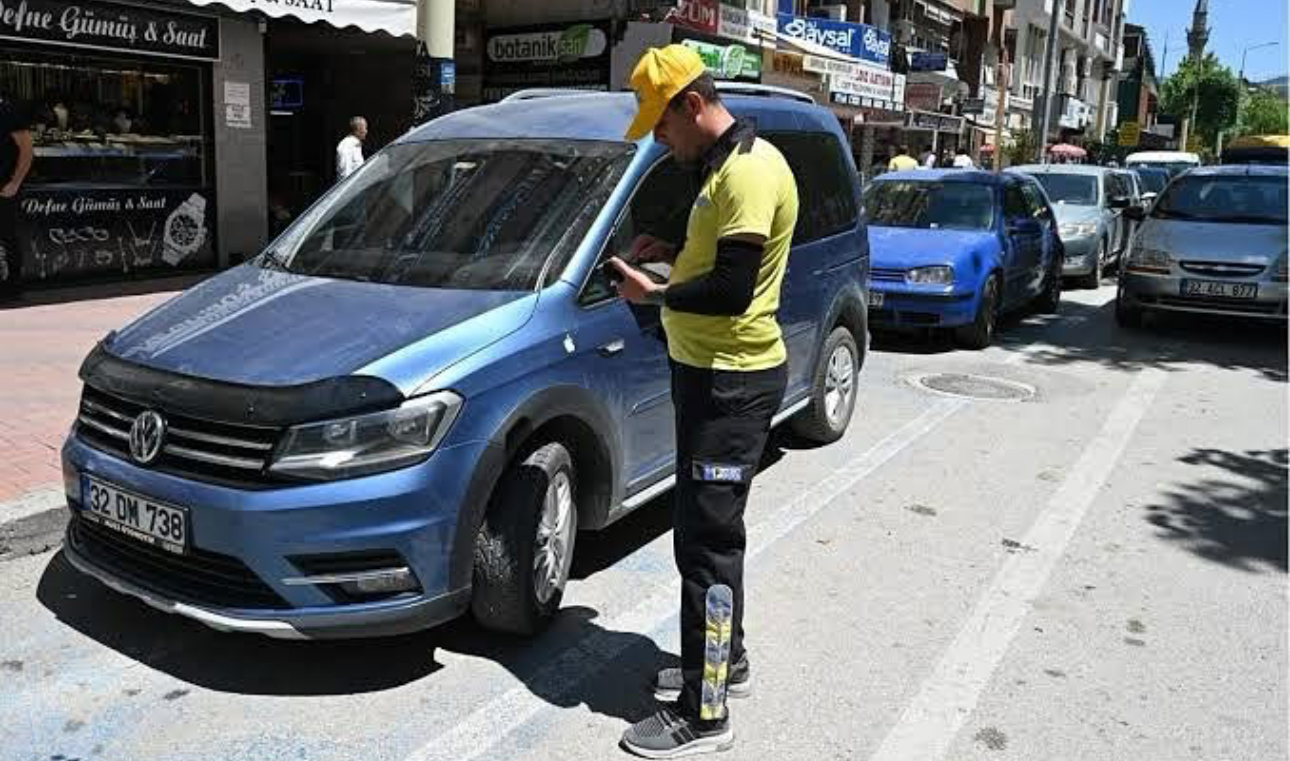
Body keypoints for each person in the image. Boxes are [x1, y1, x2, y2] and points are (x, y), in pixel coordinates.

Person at [608, 44, 798, 759]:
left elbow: (733, 290)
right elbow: (714, 261)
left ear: (693, 104)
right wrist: (674, 249)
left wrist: (655, 292)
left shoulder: (747, 172)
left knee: (708, 548)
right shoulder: (722, 166)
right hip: (708, 376)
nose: (660, 139)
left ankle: (704, 711)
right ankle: (724, 661)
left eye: (662, 124)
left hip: (730, 383)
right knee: (705, 537)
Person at [0, 95, 32, 302]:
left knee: (7, 236)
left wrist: (15, 182)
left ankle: (13, 286)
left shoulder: (7, 112)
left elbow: (27, 151)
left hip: (5, 187)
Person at [335, 116, 367, 180]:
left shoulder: (355, 145)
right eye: (365, 128)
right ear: (358, 129)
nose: (366, 131)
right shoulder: (346, 145)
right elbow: (345, 173)